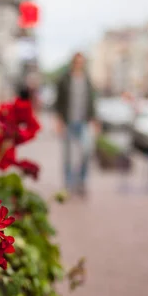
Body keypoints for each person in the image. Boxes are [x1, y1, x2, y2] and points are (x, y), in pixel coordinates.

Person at [53, 52, 98, 197]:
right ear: (73, 62)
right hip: (68, 122)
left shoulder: (87, 79)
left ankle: (81, 181)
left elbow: (92, 101)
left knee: (86, 151)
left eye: (81, 62)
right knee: (68, 156)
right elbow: (58, 101)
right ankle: (68, 184)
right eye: (77, 62)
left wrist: (95, 119)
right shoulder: (64, 79)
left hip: (83, 122)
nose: (79, 64)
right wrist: (59, 121)